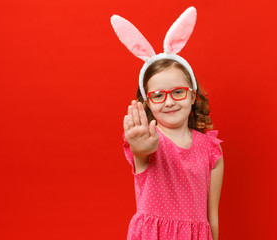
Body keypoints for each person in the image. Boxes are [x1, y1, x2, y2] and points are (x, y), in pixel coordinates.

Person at [111, 6, 224, 240]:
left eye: (178, 92)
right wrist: (139, 146)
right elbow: (142, 152)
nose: (169, 101)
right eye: (159, 95)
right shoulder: (149, 140)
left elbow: (212, 216)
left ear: (193, 96)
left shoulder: (211, 149)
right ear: (148, 103)